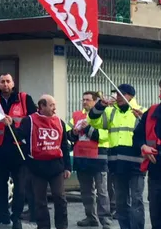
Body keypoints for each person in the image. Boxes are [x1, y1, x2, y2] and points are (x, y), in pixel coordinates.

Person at [0, 74, 37, 229]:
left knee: (20, 188)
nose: (5, 84)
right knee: (0, 186)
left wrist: (14, 124)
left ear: (13, 84)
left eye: (8, 81)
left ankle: (16, 218)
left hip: (18, 149)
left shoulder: (24, 99)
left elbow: (33, 122)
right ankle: (2, 215)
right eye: (2, 82)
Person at [88, 84, 146, 229]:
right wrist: (100, 105)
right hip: (117, 165)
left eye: (121, 94)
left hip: (136, 165)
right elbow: (93, 120)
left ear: (130, 96)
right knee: (120, 202)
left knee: (136, 201)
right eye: (117, 95)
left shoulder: (142, 112)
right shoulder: (110, 112)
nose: (118, 97)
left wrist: (143, 118)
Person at [17, 94, 71, 229]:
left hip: (56, 166)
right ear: (41, 106)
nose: (54, 108)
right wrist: (10, 125)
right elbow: (18, 136)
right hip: (37, 167)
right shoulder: (29, 121)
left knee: (60, 197)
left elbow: (64, 145)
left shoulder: (60, 122)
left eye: (55, 105)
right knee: (40, 201)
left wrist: (67, 167)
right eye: (51, 105)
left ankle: (62, 226)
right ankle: (43, 226)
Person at [66, 91, 112, 228]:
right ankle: (91, 217)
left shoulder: (104, 114)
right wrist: (73, 133)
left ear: (95, 101)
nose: (84, 102)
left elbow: (105, 135)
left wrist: (88, 129)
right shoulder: (76, 115)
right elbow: (67, 134)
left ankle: (105, 220)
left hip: (98, 156)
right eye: (83, 99)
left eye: (88, 100)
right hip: (81, 158)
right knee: (86, 191)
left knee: (102, 191)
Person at [133, 80, 161, 229]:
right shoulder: (151, 112)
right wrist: (143, 146)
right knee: (156, 214)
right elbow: (137, 136)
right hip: (156, 172)